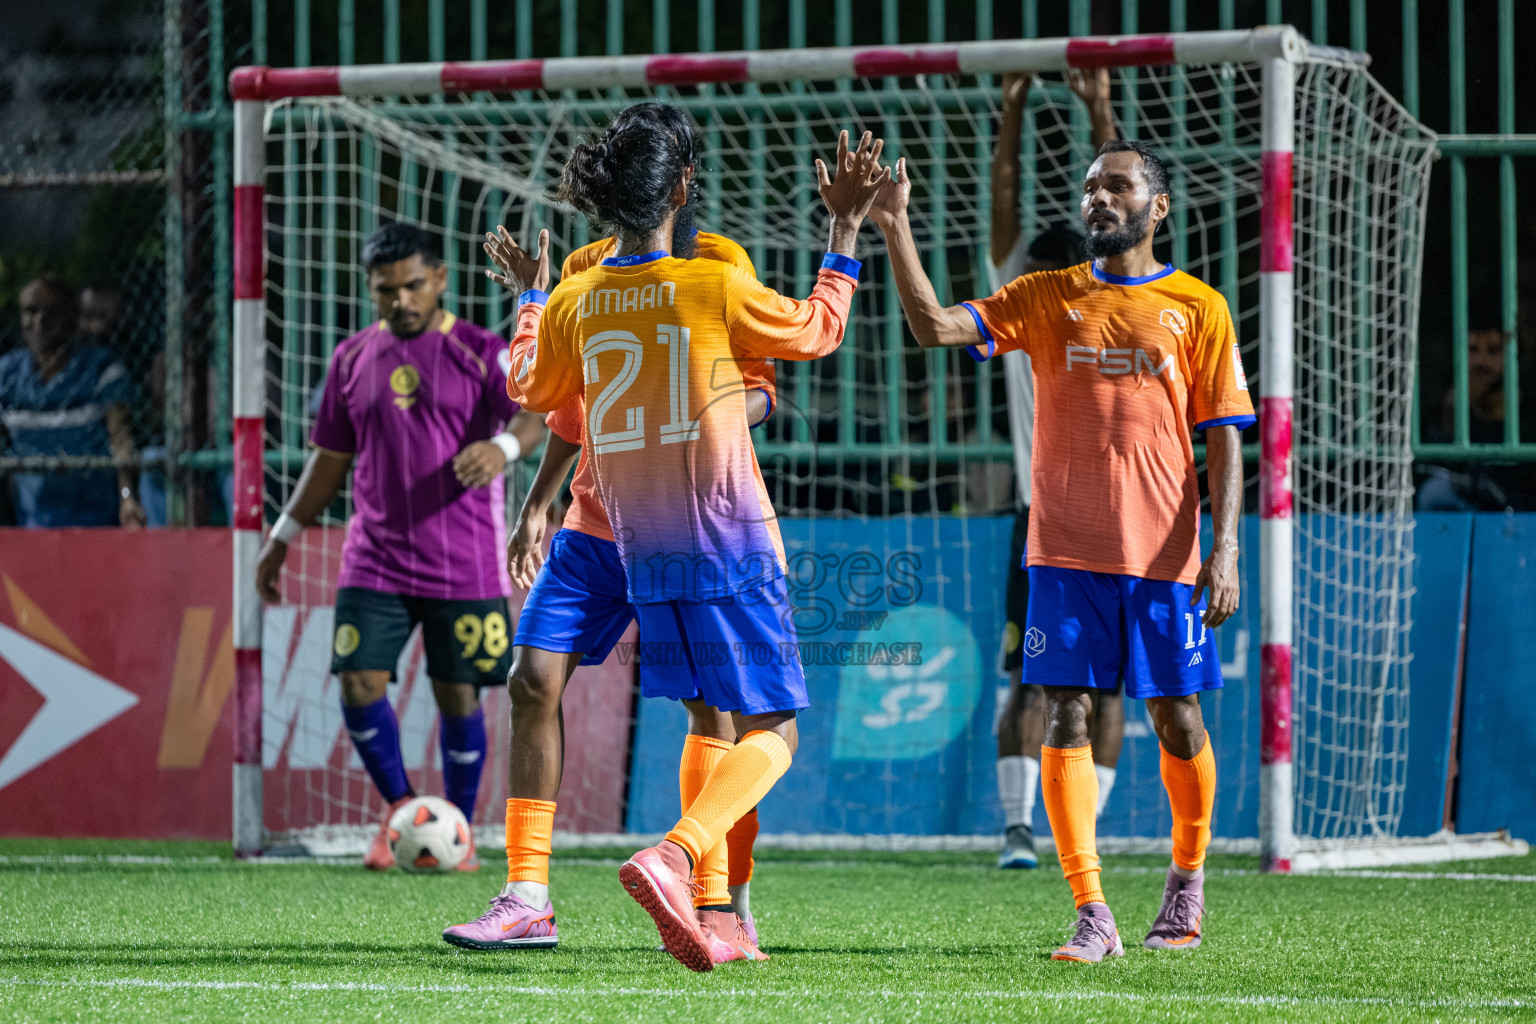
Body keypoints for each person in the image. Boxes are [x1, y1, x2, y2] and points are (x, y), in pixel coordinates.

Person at [485, 108, 887, 972]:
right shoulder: (714, 281)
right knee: (771, 729)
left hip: (640, 535)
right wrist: (846, 231)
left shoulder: (577, 298)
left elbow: (528, 384)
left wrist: (528, 300)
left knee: (716, 712)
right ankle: (677, 856)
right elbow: (818, 330)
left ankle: (713, 902)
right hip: (724, 531)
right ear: (681, 188)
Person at [872, 138, 1253, 961]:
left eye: (1117, 186)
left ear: (1158, 208)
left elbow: (1223, 437)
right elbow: (936, 326)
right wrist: (895, 227)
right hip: (1062, 551)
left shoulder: (1199, 306)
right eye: (1090, 188)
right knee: (1066, 710)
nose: (1099, 199)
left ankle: (1186, 885)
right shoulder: (1045, 295)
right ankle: (1092, 910)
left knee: (1176, 716)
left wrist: (1224, 553)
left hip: (1165, 557)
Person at [442, 198, 777, 957]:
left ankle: (714, 903)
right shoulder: (582, 273)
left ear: (674, 179)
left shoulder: (719, 263)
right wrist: (537, 500)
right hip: (594, 519)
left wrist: (698, 404)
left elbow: (760, 388)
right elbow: (568, 403)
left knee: (712, 709)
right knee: (531, 679)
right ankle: (527, 898)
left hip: (679, 518)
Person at [254, 222, 544, 871]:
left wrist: (500, 449)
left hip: (463, 562)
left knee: (457, 695)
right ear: (371, 289)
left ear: (439, 280)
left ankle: (458, 836)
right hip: (375, 558)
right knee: (358, 682)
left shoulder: (483, 351)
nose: (400, 300)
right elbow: (332, 458)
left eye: (413, 285)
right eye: (386, 290)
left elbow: (535, 414)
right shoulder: (351, 358)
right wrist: (284, 535)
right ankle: (405, 815)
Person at [990, 70, 1127, 870]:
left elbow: (1124, 196)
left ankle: (1085, 827)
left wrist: (1097, 111)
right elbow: (1004, 218)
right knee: (1031, 681)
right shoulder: (1026, 304)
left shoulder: (1119, 302)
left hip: (1116, 515)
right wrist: (1013, 111)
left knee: (1105, 692)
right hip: (1039, 516)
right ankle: (1017, 830)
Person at [0, 274, 147, 528]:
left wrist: (128, 499)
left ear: (70, 319)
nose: (40, 322)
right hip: (32, 523)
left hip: (97, 519)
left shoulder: (101, 368)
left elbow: (120, 438)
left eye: (51, 313)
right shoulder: (7, 373)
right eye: (30, 311)